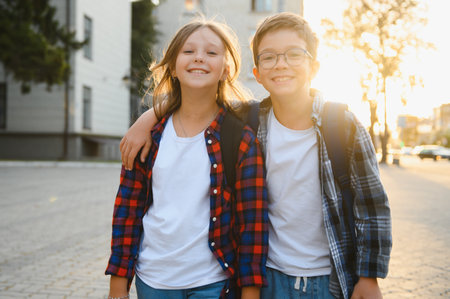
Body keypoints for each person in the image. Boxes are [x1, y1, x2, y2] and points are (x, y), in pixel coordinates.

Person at [120, 12, 392, 299]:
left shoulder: (342, 126)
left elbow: (372, 206)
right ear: (258, 72)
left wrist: (369, 277)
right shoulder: (250, 120)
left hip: (330, 278)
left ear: (314, 67)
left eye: (294, 54)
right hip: (267, 276)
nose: (282, 64)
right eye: (269, 57)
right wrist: (147, 118)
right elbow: (198, 102)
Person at [105, 19, 269, 299]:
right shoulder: (148, 137)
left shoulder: (239, 138)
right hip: (153, 281)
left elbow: (252, 224)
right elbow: (127, 213)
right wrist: (118, 287)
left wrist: (250, 294)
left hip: (213, 283)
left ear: (225, 70)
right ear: (172, 65)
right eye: (189, 51)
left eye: (211, 53)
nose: (199, 58)